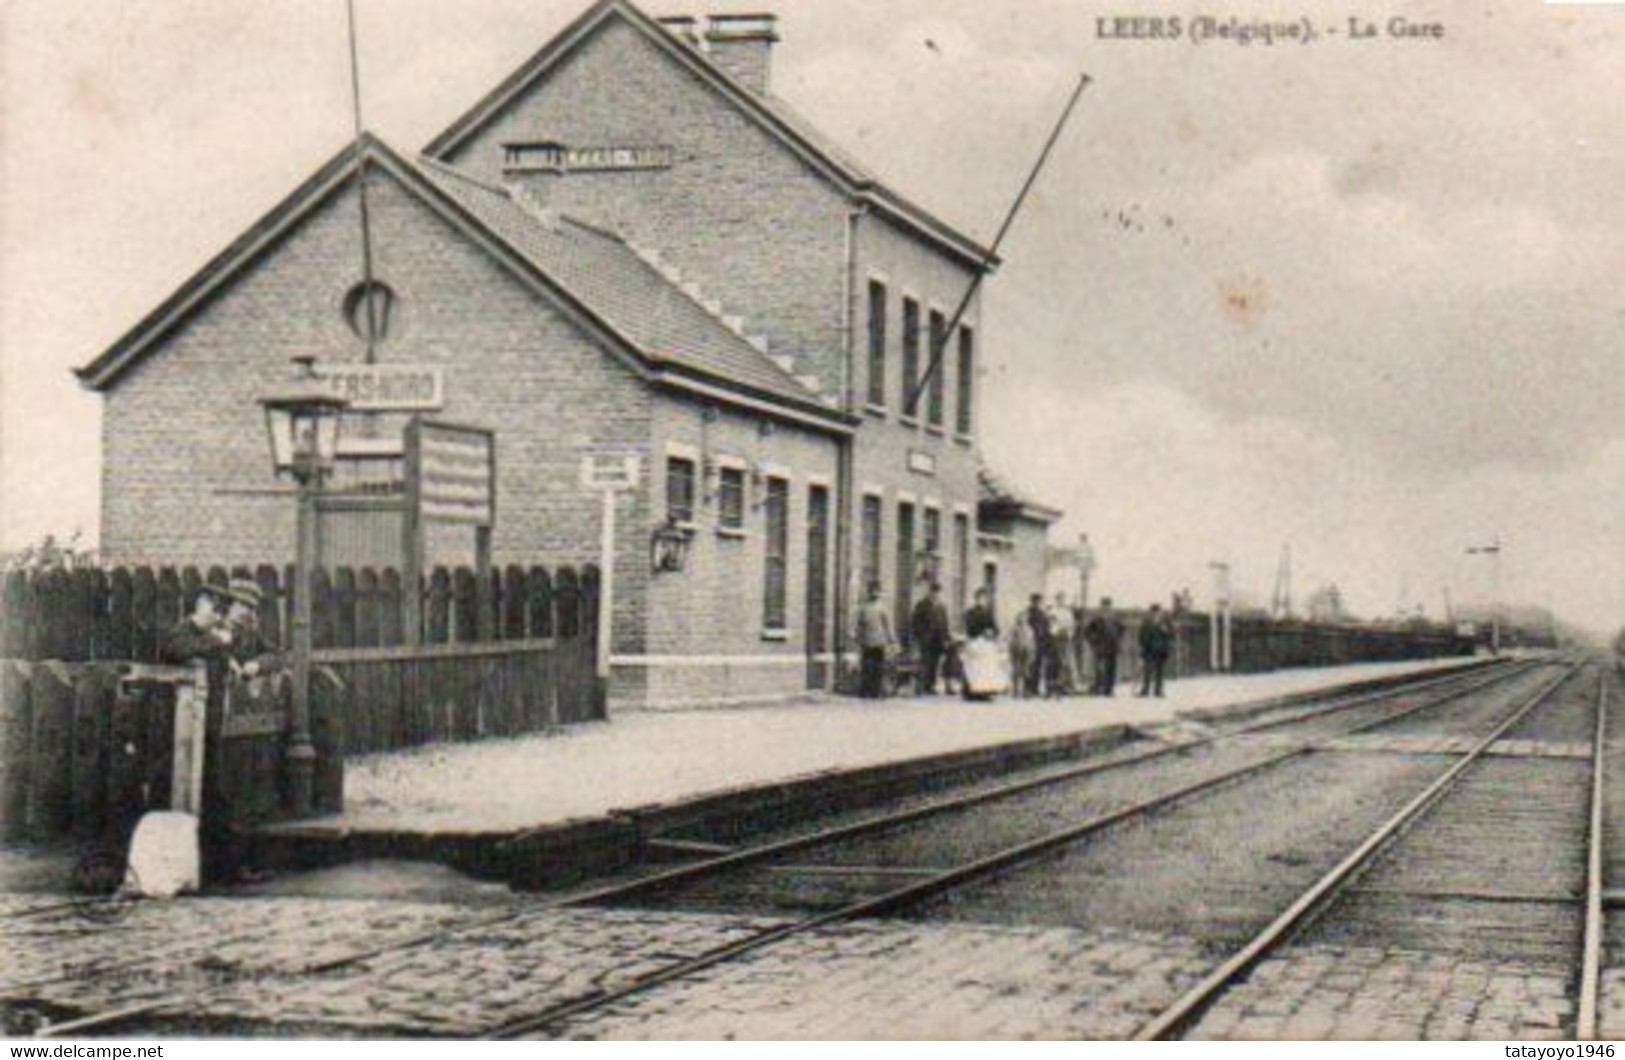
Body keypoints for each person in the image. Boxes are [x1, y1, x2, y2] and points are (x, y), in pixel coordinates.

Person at [961, 588, 1004, 701]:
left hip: (986, 644)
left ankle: (984, 692)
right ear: (976, 598)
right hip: (975, 642)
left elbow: (995, 627)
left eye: (984, 598)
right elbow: (969, 628)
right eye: (980, 598)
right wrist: (982, 632)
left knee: (985, 669)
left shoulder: (988, 612)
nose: (982, 600)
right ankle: (971, 692)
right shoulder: (970, 612)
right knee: (974, 668)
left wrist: (992, 632)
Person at [855, 581, 895, 699]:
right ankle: (866, 690)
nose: (874, 593)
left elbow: (888, 625)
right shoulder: (863, 607)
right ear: (869, 592)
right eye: (872, 590)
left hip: (879, 642)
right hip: (867, 642)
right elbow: (859, 624)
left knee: (878, 668)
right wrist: (857, 636)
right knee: (867, 667)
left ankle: (876, 691)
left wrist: (891, 640)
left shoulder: (882, 608)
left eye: (876, 591)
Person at [910, 582, 952, 695]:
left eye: (937, 592)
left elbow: (945, 623)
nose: (935, 594)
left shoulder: (942, 606)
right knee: (926, 662)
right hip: (926, 639)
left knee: (935, 663)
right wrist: (919, 635)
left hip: (938, 640)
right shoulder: (922, 605)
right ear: (929, 592)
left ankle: (931, 686)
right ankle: (924, 685)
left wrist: (947, 638)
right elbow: (915, 621)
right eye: (933, 592)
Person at [1083, 596, 1125, 697]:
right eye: (1104, 605)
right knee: (1100, 669)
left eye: (1108, 605)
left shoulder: (1114, 618)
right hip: (1101, 647)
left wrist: (1118, 640)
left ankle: (1108, 689)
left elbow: (1122, 629)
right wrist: (1094, 641)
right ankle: (1098, 688)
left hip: (1112, 647)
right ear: (1101, 606)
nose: (1106, 607)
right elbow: (1087, 631)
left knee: (1111, 669)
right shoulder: (1096, 618)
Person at [1138, 602, 1174, 698]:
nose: (1155, 614)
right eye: (1153, 612)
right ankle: (1145, 690)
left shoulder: (1165, 622)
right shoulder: (1146, 621)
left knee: (1159, 671)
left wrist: (1166, 630)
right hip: (1149, 649)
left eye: (1157, 612)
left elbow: (1171, 634)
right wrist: (1143, 644)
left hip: (1160, 650)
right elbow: (1141, 634)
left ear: (1160, 612)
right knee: (1147, 670)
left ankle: (1158, 690)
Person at [1047, 593, 1076, 697]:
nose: (1061, 601)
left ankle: (1064, 686)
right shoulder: (1052, 611)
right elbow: (1051, 625)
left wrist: (1068, 633)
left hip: (1066, 640)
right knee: (1055, 663)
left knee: (1066, 663)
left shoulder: (1068, 613)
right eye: (1059, 599)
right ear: (1056, 600)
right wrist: (1056, 631)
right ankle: (1051, 687)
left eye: (1062, 599)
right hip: (1055, 640)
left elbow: (1072, 626)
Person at [1022, 593, 1051, 698]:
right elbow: (1024, 625)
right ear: (1032, 602)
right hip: (1030, 642)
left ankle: (1035, 688)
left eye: (1039, 601)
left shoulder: (1043, 614)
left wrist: (1046, 640)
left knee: (1038, 665)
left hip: (1041, 642)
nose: (1037, 603)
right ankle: (1028, 688)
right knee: (1029, 665)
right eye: (1035, 601)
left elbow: (1047, 628)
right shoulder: (1027, 613)